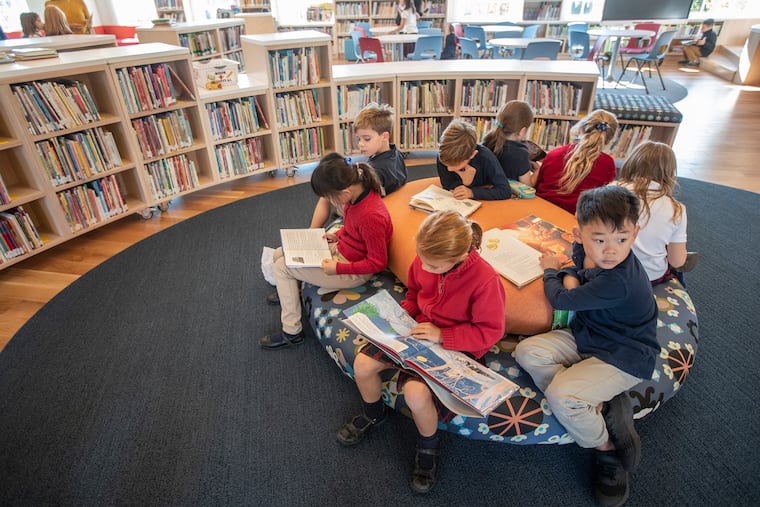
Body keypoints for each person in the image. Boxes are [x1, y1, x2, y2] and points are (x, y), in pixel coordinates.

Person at [336, 210, 506, 494]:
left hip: (459, 346)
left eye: (433, 265)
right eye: (422, 260)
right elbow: (414, 292)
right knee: (363, 364)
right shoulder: (425, 260)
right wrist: (405, 315)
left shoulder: (486, 280)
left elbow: (489, 333)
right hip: (417, 330)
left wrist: (443, 335)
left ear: (460, 257)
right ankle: (373, 414)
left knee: (416, 394)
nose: (424, 268)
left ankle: (428, 447)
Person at [514, 185, 658, 507]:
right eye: (599, 240)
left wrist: (552, 269)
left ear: (634, 234)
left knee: (560, 395)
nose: (610, 250)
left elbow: (562, 297)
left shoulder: (617, 280)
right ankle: (602, 404)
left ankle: (604, 449)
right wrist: (570, 271)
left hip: (625, 354)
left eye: (621, 239)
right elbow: (576, 269)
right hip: (591, 335)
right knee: (526, 352)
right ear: (579, 233)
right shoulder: (589, 252)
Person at [261, 153, 393, 349]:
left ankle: (292, 331)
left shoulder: (371, 215)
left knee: (282, 267)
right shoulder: (356, 196)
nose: (328, 201)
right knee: (282, 251)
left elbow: (377, 263)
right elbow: (353, 227)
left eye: (329, 197)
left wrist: (337, 268)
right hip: (343, 250)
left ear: (344, 193)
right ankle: (288, 289)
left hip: (354, 271)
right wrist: (339, 234)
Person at [310, 102, 407, 228]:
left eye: (366, 139)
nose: (361, 144)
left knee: (327, 192)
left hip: (370, 214)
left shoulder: (377, 170)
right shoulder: (395, 153)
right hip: (389, 206)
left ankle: (312, 230)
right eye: (359, 139)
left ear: (384, 136)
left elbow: (362, 200)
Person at [615, 141, 696, 285]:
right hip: (648, 277)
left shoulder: (610, 189)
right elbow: (676, 261)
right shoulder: (676, 208)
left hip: (606, 268)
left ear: (630, 163)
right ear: (669, 173)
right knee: (676, 266)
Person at [534, 109, 618, 214]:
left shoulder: (554, 154)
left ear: (579, 130)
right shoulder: (608, 164)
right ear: (609, 140)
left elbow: (537, 186)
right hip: (574, 219)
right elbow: (603, 197)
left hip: (540, 211)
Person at [436, 119, 512, 201]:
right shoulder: (443, 156)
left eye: (456, 164)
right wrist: (465, 183)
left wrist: (472, 192)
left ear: (472, 155)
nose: (449, 169)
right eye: (446, 164)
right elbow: (447, 185)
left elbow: (505, 191)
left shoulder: (486, 158)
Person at [482, 100, 537, 186]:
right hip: (509, 197)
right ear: (523, 131)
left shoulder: (487, 142)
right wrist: (539, 171)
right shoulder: (521, 154)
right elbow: (527, 185)